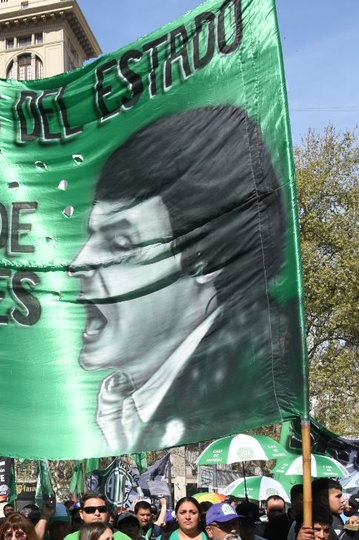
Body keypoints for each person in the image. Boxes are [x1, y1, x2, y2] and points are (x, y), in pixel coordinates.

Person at [69, 104, 299, 452]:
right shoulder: (124, 402)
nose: (79, 263)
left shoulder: (245, 383)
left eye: (119, 242)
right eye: (92, 237)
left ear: (207, 259)